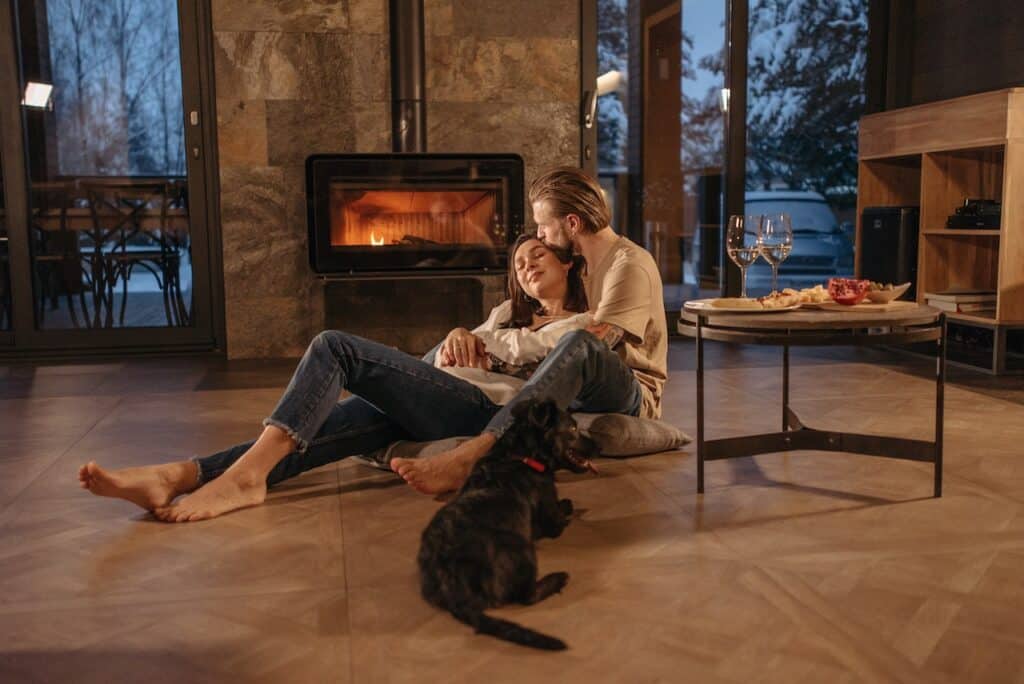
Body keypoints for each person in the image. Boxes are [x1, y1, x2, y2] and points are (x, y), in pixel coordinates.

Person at [78, 235, 593, 521]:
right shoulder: (505, 312)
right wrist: (464, 331)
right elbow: (465, 346)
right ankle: (175, 477)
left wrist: (478, 342)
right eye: (519, 263)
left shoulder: (580, 326)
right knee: (316, 434)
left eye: (538, 256)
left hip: (486, 411)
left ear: (568, 264)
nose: (526, 267)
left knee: (334, 347)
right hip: (444, 393)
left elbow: (551, 361)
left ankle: (244, 478)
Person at [390, 166, 668, 494]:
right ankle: (395, 396)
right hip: (580, 386)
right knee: (436, 354)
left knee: (580, 343)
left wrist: (499, 357)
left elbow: (593, 348)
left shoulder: (628, 265)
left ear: (573, 224)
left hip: (631, 389)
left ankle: (476, 455)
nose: (540, 235)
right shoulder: (585, 269)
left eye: (543, 227)